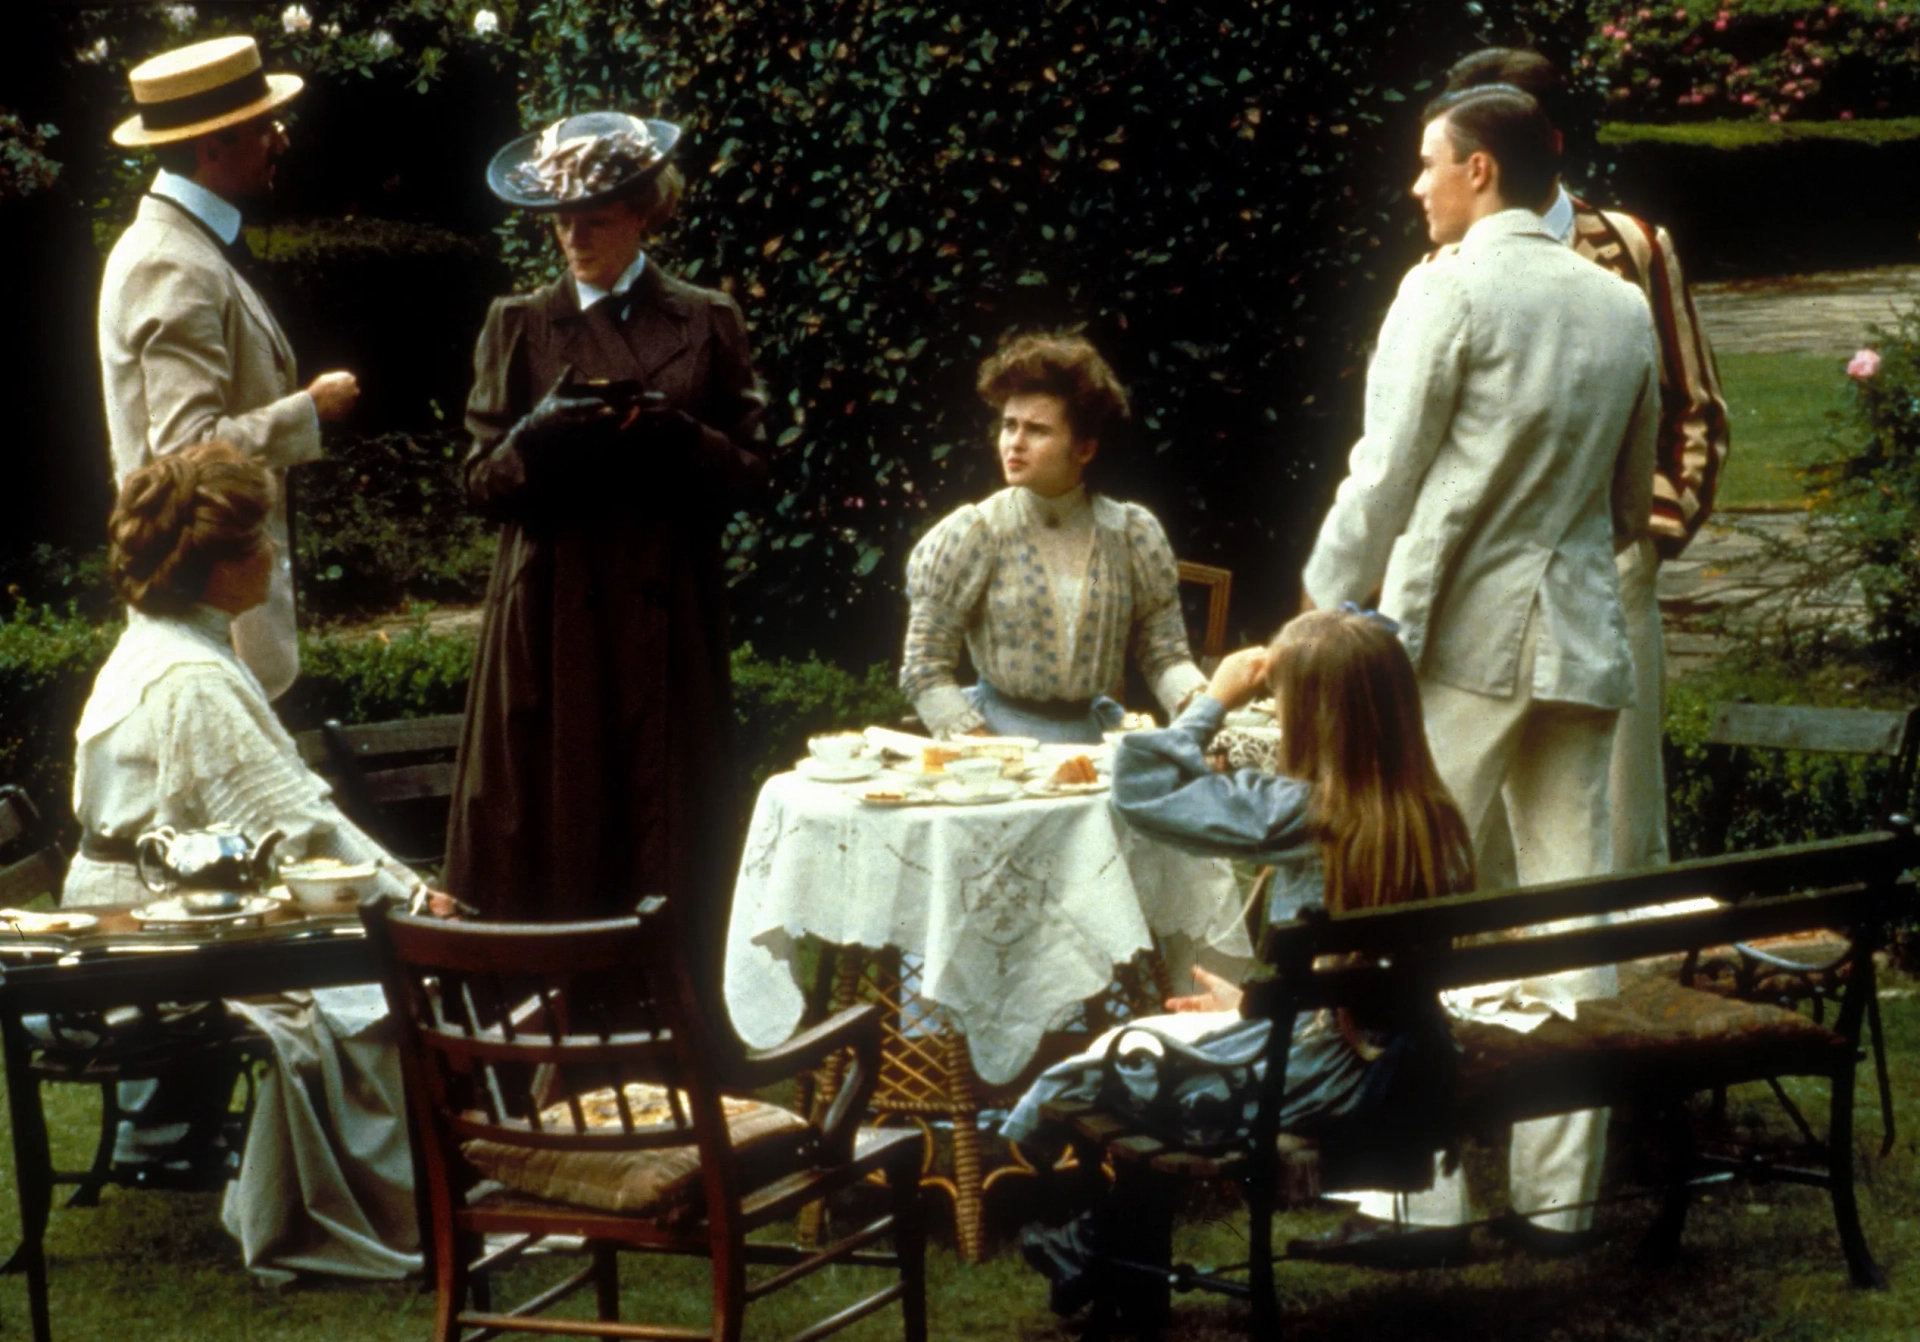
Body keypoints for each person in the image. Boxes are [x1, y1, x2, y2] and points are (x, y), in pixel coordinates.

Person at [1298, 85, 1657, 1251]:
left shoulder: (1444, 288)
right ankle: (1560, 1202)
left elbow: (1384, 473)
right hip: (1585, 639)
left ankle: (1415, 1192)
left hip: (1458, 643)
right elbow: (1625, 499)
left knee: (1408, 902)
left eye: (1427, 165)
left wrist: (1321, 600)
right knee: (1574, 910)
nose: (1416, 186)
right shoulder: (1619, 304)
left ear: (1481, 173)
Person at [1008, 607, 1476, 1312]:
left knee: (1100, 1068)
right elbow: (1364, 976)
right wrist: (1259, 1005)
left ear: (1315, 718)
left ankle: (1093, 1254)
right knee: (1160, 1054)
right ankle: (1101, 1259)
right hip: (1402, 1057)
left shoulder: (1299, 811)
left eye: (1280, 704)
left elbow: (1139, 790)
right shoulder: (1430, 813)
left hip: (1322, 1072)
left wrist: (1215, 697)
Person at [65, 442, 422, 1283]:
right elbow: (292, 823)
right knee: (374, 992)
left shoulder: (168, 642)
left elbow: (281, 805)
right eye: (258, 540)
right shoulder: (190, 675)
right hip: (144, 930)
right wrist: (413, 898)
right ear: (213, 567)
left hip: (157, 903)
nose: (275, 555)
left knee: (367, 973)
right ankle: (400, 1197)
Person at [444, 111, 768, 1025]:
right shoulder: (520, 324)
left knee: (667, 823)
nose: (572, 238)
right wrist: (535, 441)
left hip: (668, 624)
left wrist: (679, 436)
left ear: (641, 215)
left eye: (593, 218)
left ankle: (675, 1034)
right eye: (560, 220)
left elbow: (753, 474)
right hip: (549, 616)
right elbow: (478, 485)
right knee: (544, 818)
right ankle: (532, 1044)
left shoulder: (706, 321)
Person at [1445, 48, 1731, 877]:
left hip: (1610, 563)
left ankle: (1626, 976)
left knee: (1613, 798)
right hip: (1488, 567)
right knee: (1487, 797)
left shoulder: (1633, 247)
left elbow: (1695, 402)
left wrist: (1651, 534)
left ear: (1550, 142)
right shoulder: (1444, 267)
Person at [98, 35, 360, 701]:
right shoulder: (171, 260)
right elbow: (186, 457)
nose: (281, 141)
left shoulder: (184, 246)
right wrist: (309, 410)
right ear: (213, 147)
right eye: (264, 127)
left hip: (215, 622)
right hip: (208, 624)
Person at [901, 333, 1207, 743]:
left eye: (1037, 430)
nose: (1015, 442)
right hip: (997, 741)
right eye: (1009, 425)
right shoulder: (977, 533)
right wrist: (983, 748)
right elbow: (924, 667)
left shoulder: (1127, 536)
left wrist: (1207, 709)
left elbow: (1164, 655)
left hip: (1098, 741)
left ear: (1084, 449)